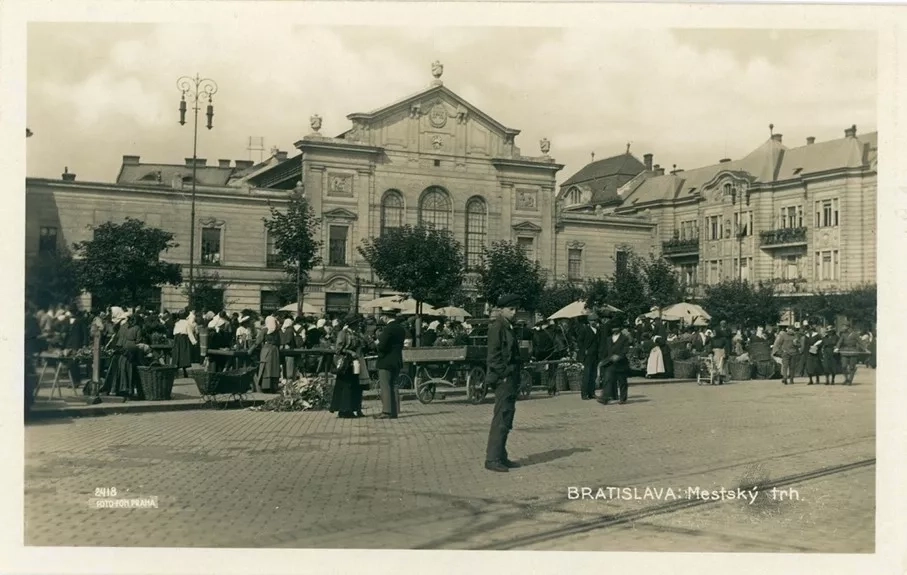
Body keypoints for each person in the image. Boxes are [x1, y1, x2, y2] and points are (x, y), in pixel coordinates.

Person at [484, 294, 523, 473]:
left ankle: (501, 455)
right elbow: (493, 356)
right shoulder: (497, 327)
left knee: (507, 417)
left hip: (511, 377)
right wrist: (504, 375)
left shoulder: (507, 326)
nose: (514, 312)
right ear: (501, 310)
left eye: (516, 309)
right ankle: (492, 459)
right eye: (511, 309)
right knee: (501, 416)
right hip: (504, 378)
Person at [329, 313, 366, 418]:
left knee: (354, 385)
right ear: (351, 324)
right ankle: (344, 409)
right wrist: (350, 352)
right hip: (345, 362)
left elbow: (362, 344)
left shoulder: (356, 334)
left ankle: (352, 408)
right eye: (356, 323)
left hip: (355, 362)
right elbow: (338, 349)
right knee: (346, 385)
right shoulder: (343, 333)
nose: (357, 325)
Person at [374, 307, 405, 419]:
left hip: (386, 360)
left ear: (386, 317)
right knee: (394, 385)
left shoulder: (388, 329)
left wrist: (376, 343)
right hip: (397, 359)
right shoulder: (401, 328)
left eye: (382, 316)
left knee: (385, 385)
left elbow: (382, 346)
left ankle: (386, 411)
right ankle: (395, 411)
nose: (381, 318)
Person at [598, 317, 632, 404]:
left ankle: (623, 398)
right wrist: (603, 359)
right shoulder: (609, 339)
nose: (614, 329)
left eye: (616, 327)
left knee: (622, 381)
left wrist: (619, 356)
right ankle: (605, 398)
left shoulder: (624, 338)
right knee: (607, 379)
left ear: (620, 328)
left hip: (621, 363)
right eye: (613, 328)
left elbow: (625, 349)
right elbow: (605, 350)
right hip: (610, 363)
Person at [251, 315, 281, 393]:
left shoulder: (264, 330)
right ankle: (274, 387)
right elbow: (279, 342)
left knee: (265, 368)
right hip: (275, 350)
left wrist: (250, 350)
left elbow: (258, 342)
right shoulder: (277, 330)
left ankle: (265, 387)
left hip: (266, 349)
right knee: (274, 368)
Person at [576, 314, 601, 400]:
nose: (593, 322)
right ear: (589, 321)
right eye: (592, 320)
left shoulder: (597, 330)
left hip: (595, 355)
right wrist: (584, 350)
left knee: (593, 375)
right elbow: (579, 341)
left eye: (595, 320)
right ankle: (584, 394)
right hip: (587, 355)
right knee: (587, 374)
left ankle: (592, 392)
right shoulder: (584, 330)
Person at [171, 310, 196, 378]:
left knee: (177, 354)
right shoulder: (187, 323)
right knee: (183, 354)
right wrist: (194, 342)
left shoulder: (177, 323)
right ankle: (184, 370)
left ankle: (175, 370)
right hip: (183, 339)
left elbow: (174, 332)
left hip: (177, 339)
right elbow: (190, 333)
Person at [709, 320, 732, 385]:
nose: (714, 333)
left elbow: (726, 347)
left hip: (720, 352)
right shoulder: (712, 339)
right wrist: (710, 352)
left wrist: (726, 354)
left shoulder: (723, 339)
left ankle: (720, 376)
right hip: (714, 352)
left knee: (720, 363)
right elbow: (710, 347)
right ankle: (712, 374)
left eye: (714, 332)